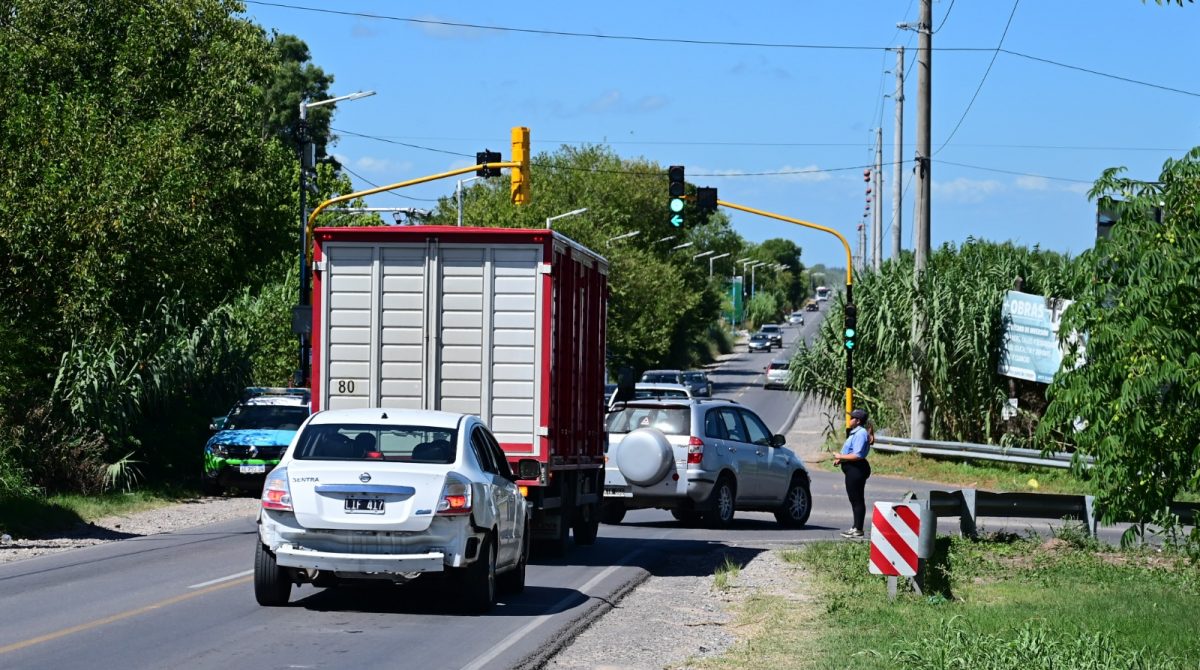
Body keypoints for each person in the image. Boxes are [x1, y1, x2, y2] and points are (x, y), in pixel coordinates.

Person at [833, 408, 872, 538]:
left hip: (857, 469)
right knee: (854, 499)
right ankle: (856, 527)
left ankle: (858, 529)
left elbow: (858, 455)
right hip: (852, 469)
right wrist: (841, 459)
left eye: (852, 418)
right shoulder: (855, 432)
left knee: (857, 500)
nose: (849, 420)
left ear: (858, 421)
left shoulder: (860, 433)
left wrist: (841, 456)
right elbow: (851, 451)